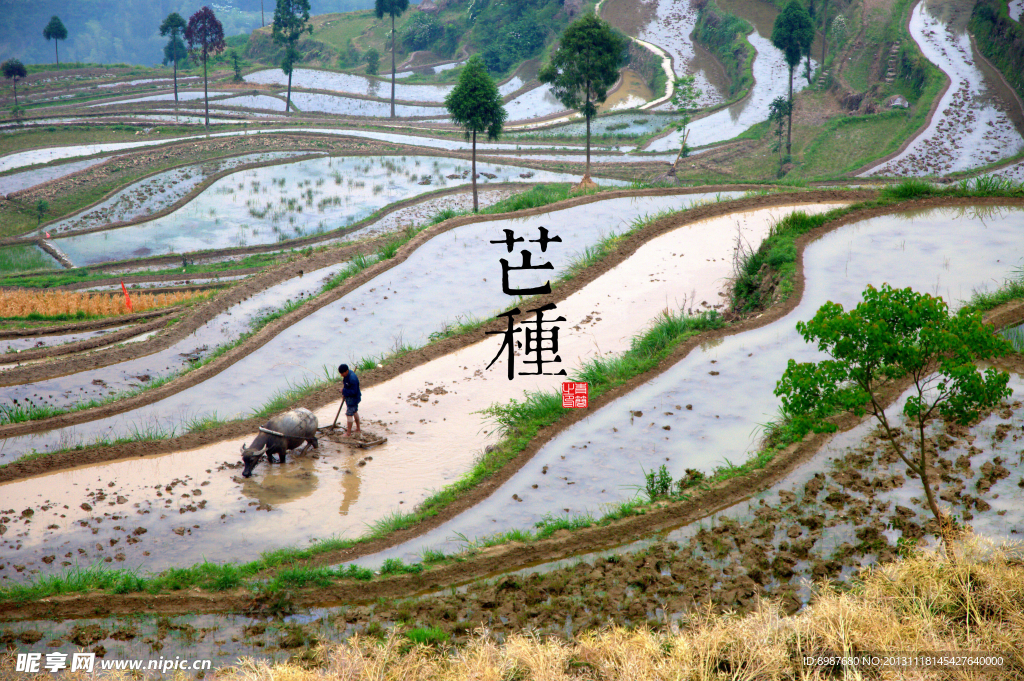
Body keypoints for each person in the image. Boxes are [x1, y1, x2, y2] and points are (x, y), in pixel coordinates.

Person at [338, 363, 361, 436]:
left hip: (353, 398)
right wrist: (344, 393)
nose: (341, 375)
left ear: (346, 371)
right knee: (354, 412)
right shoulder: (348, 375)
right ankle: (358, 429)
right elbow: (347, 386)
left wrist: (343, 391)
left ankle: (348, 433)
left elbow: (354, 391)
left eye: (342, 373)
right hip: (351, 397)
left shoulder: (352, 378)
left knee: (349, 414)